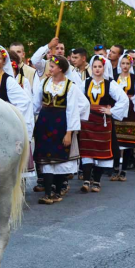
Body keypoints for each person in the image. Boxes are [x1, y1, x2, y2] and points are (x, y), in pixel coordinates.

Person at [0, 45, 34, 214]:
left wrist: (10, 116)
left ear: (4, 61)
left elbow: (24, 102)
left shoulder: (8, 80)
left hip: (2, 129)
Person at [32, 56, 89, 203]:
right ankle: (48, 193)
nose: (49, 69)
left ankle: (56, 192)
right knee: (45, 159)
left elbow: (73, 110)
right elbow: (35, 105)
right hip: (44, 125)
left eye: (52, 66)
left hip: (61, 125)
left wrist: (69, 132)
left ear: (61, 69)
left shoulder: (70, 86)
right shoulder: (44, 83)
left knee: (59, 159)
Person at [77, 56, 129, 193]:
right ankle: (87, 180)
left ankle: (97, 181)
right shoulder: (85, 83)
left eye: (100, 66)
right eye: (95, 66)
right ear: (91, 68)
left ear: (104, 68)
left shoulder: (109, 84)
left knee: (101, 151)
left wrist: (111, 110)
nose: (97, 69)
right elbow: (76, 98)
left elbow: (123, 99)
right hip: (87, 120)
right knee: (87, 150)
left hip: (103, 122)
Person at [113, 54, 135, 179]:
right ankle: (115, 168)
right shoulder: (114, 77)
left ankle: (124, 170)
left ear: (130, 65)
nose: (125, 66)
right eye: (123, 63)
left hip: (130, 110)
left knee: (127, 140)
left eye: (127, 63)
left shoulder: (134, 77)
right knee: (115, 140)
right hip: (117, 110)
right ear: (120, 64)